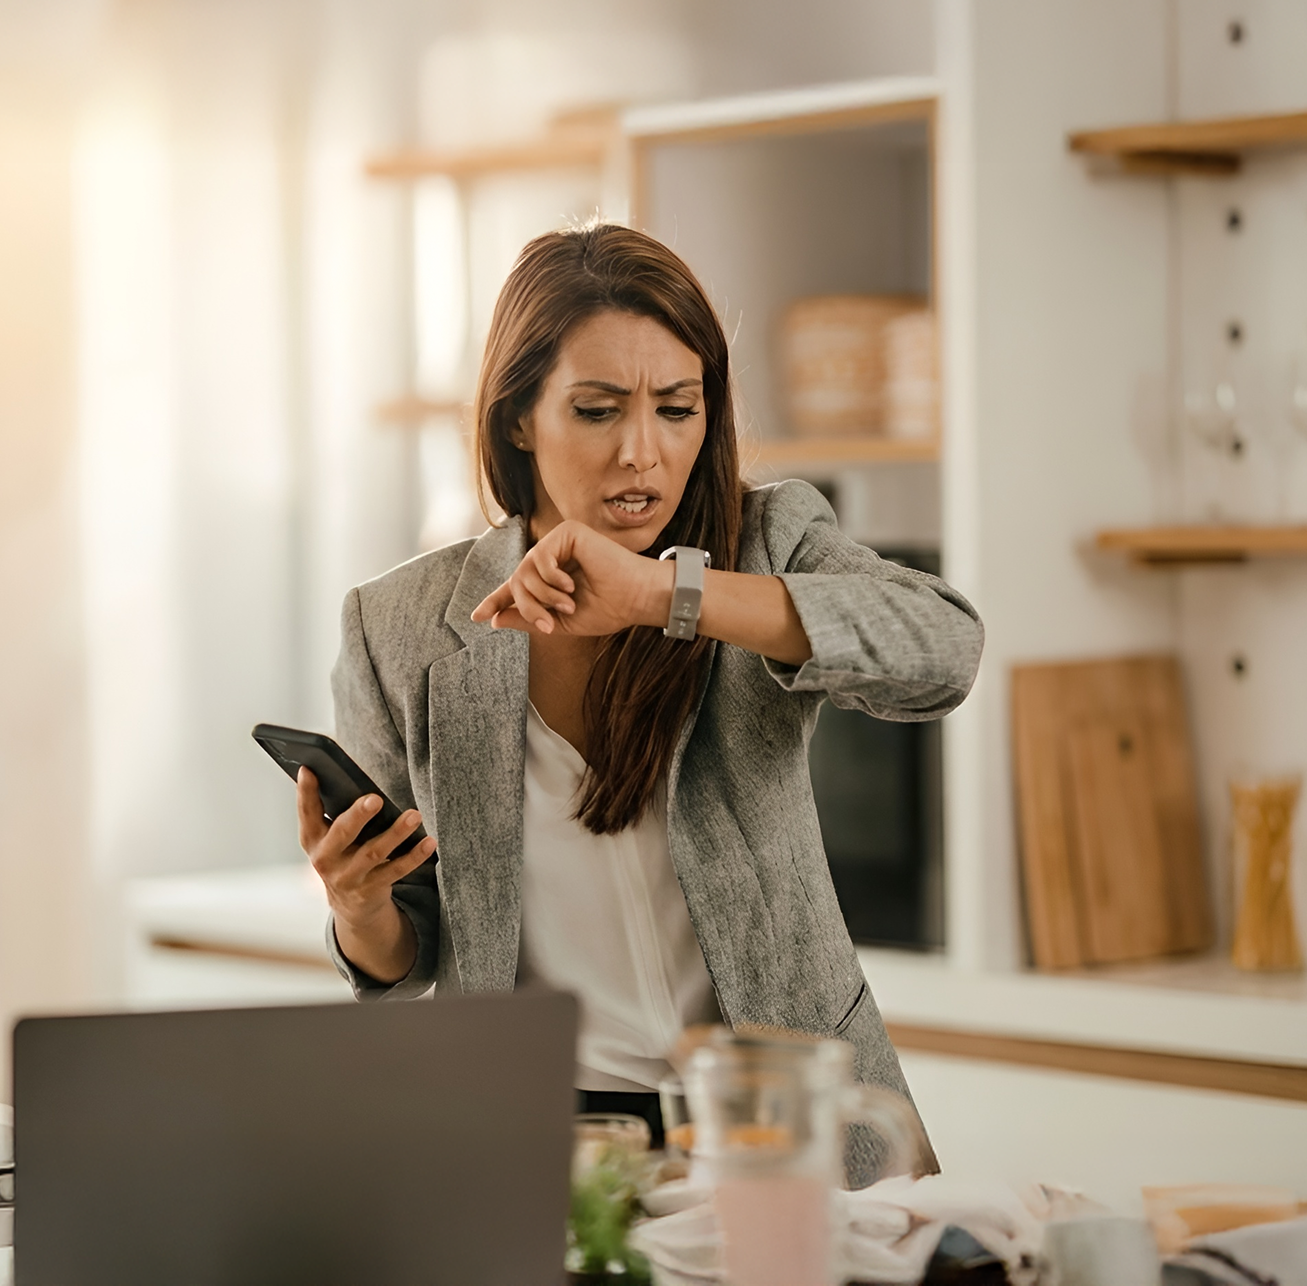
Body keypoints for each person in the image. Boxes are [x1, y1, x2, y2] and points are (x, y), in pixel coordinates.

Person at [293, 223, 980, 1184]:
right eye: (598, 409)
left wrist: (668, 595)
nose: (643, 455)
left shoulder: (766, 541)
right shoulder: (398, 624)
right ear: (518, 417)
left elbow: (942, 649)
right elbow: (412, 952)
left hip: (789, 1142)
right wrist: (359, 908)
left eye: (675, 407)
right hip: (553, 1167)